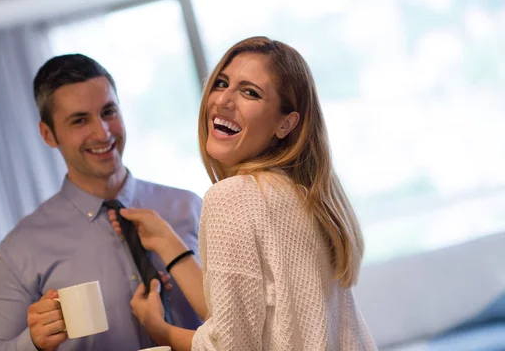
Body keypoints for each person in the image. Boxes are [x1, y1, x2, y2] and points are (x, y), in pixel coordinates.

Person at [110, 37, 378, 350]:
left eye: (250, 92)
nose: (223, 100)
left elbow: (230, 346)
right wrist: (169, 245)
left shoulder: (234, 197)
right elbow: (247, 322)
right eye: (221, 83)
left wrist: (161, 331)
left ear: (286, 123)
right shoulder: (304, 198)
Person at [0, 54, 202, 351]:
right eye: (80, 120)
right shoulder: (19, 251)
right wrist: (31, 342)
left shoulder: (189, 208)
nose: (102, 132)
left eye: (108, 112)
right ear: (48, 134)